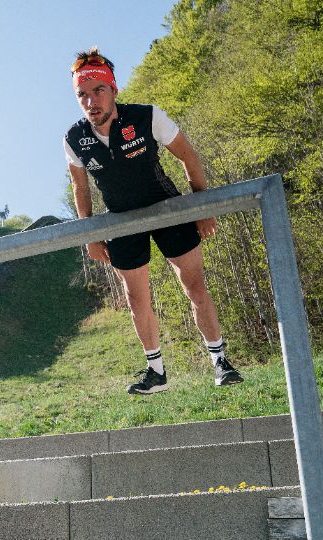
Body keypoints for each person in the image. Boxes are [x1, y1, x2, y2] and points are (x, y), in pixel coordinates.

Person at [64, 47, 244, 395]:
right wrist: (89, 235)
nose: (91, 102)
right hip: (121, 221)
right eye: (82, 95)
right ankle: (156, 372)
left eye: (98, 90)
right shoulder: (73, 138)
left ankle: (221, 362)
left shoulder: (147, 117)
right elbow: (79, 186)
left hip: (167, 209)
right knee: (136, 299)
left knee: (194, 286)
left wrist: (201, 207)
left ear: (114, 90)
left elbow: (189, 156)